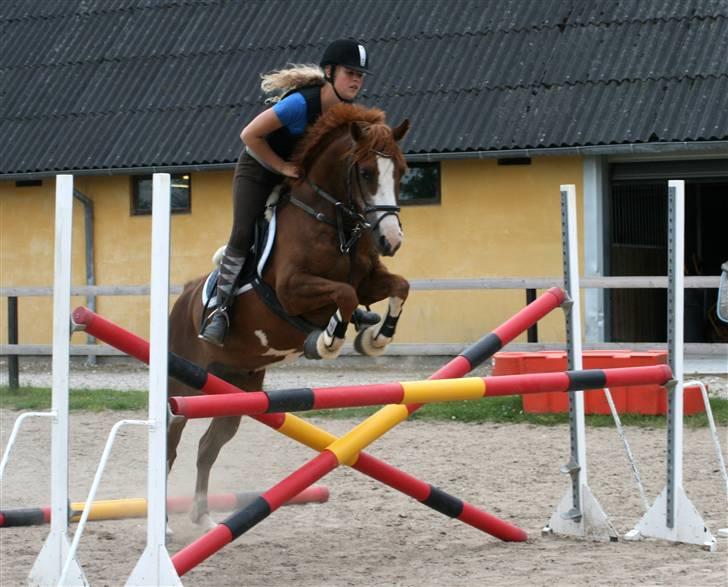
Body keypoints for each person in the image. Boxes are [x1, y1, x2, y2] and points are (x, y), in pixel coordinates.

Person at [199, 39, 372, 346]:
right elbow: (249, 135)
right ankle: (219, 311)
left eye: (361, 74)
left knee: (336, 226)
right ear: (330, 72)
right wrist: (281, 167)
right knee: (243, 234)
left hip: (298, 175)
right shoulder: (300, 104)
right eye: (350, 72)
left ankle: (346, 302)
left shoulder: (348, 113)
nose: (357, 79)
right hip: (259, 169)